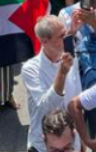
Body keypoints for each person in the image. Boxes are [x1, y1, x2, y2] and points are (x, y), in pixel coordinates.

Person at [22, 16, 82, 152]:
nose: (66, 39)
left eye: (66, 34)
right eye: (61, 36)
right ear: (44, 41)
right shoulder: (30, 69)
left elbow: (76, 103)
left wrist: (81, 141)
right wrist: (61, 74)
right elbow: (45, 106)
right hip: (45, 145)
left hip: (70, 142)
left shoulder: (71, 59)